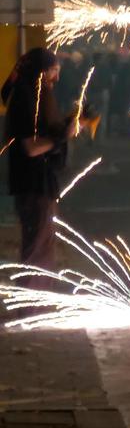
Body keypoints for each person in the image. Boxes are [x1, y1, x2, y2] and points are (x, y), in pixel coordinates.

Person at [4, 49, 90, 268]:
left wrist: (69, 123)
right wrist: (63, 135)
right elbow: (31, 148)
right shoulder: (24, 97)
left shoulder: (35, 96)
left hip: (41, 184)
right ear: (39, 71)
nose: (57, 78)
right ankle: (33, 301)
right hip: (34, 185)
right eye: (53, 71)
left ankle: (37, 300)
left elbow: (44, 131)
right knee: (37, 253)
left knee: (42, 250)